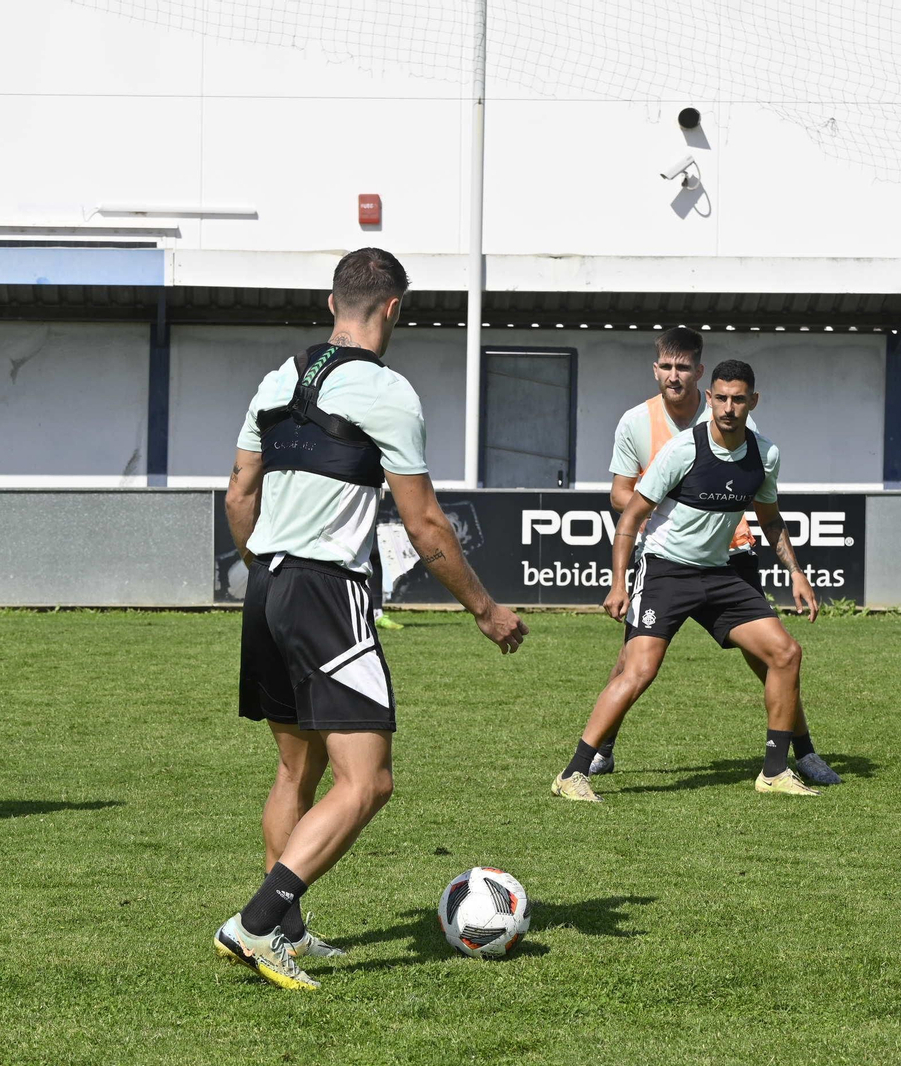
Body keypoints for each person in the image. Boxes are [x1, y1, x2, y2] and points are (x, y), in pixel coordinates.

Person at [217, 248, 529, 990]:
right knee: (370, 780)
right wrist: (484, 610)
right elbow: (424, 524)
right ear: (393, 309)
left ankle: (286, 934)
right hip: (326, 592)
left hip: (266, 586)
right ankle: (255, 926)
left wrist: (263, 569)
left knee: (300, 766)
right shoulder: (388, 393)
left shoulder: (277, 378)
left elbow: (238, 493)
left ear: (334, 305)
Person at [553, 360, 824, 803]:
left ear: (752, 402)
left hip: (720, 575)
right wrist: (619, 581)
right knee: (638, 668)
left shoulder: (765, 455)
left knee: (785, 653)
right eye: (721, 398)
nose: (729, 408)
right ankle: (573, 772)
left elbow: (770, 520)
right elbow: (632, 515)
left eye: (739, 399)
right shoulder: (683, 450)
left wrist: (797, 574)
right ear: (710, 399)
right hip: (665, 570)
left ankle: (775, 771)